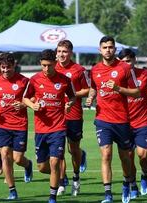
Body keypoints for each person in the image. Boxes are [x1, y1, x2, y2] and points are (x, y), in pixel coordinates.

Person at [85, 36, 140, 203]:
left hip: (122, 120)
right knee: (106, 154)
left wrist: (118, 88)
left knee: (125, 157)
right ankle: (108, 193)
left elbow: (136, 92)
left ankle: (126, 182)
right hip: (103, 120)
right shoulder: (94, 70)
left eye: (110, 47)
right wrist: (90, 98)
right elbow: (93, 89)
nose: (108, 50)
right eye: (105, 47)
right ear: (99, 50)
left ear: (114, 49)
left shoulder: (124, 68)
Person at [23, 49, 76, 203]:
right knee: (41, 167)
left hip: (58, 128)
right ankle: (61, 175)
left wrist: (70, 104)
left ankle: (52, 197)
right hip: (40, 129)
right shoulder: (34, 80)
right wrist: (33, 105)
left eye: (49, 65)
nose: (46, 69)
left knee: (54, 162)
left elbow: (72, 96)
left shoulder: (64, 80)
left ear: (55, 63)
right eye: (43, 66)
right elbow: (25, 98)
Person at [0, 53, 33, 200]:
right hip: (3, 125)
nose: (5, 70)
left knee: (18, 158)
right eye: (3, 67)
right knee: (5, 155)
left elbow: (33, 97)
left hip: (20, 124)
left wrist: (23, 103)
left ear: (14, 65)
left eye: (8, 67)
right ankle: (12, 190)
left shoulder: (24, 81)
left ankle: (27, 165)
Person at [118, 49, 147, 199]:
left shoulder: (145, 74)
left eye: (129, 60)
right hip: (124, 123)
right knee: (128, 157)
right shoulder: (116, 77)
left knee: (142, 155)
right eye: (123, 61)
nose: (126, 64)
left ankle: (144, 175)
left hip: (142, 122)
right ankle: (132, 184)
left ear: (135, 60)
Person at [55, 40, 89, 196]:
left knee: (73, 149)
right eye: (59, 51)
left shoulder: (78, 70)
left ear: (70, 53)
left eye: (65, 51)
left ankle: (76, 177)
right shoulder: (51, 68)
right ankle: (62, 182)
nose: (62, 54)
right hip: (56, 116)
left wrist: (71, 94)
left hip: (74, 114)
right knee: (59, 151)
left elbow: (87, 90)